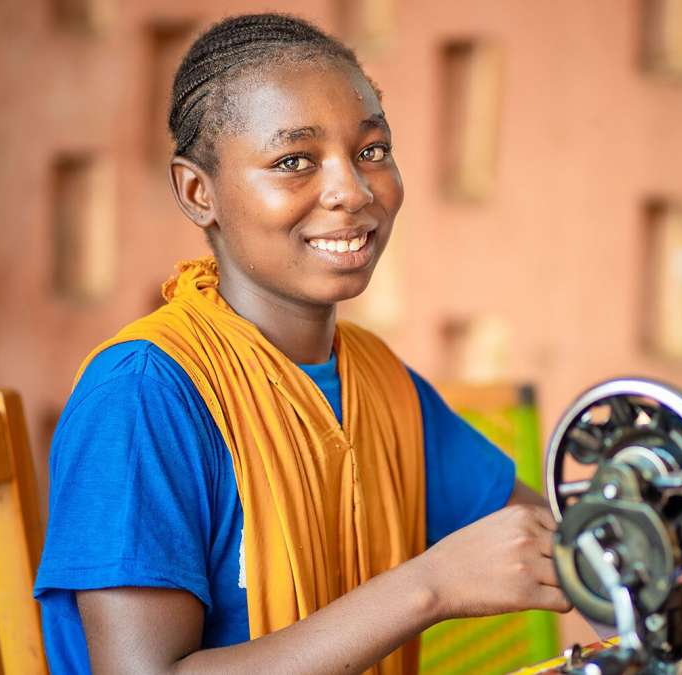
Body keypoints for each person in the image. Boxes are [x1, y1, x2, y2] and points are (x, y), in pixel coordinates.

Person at [33, 13, 570, 675]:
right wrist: (430, 585)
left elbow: (556, 538)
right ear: (199, 191)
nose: (352, 190)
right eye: (294, 161)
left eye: (372, 149)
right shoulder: (144, 395)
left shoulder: (376, 380)